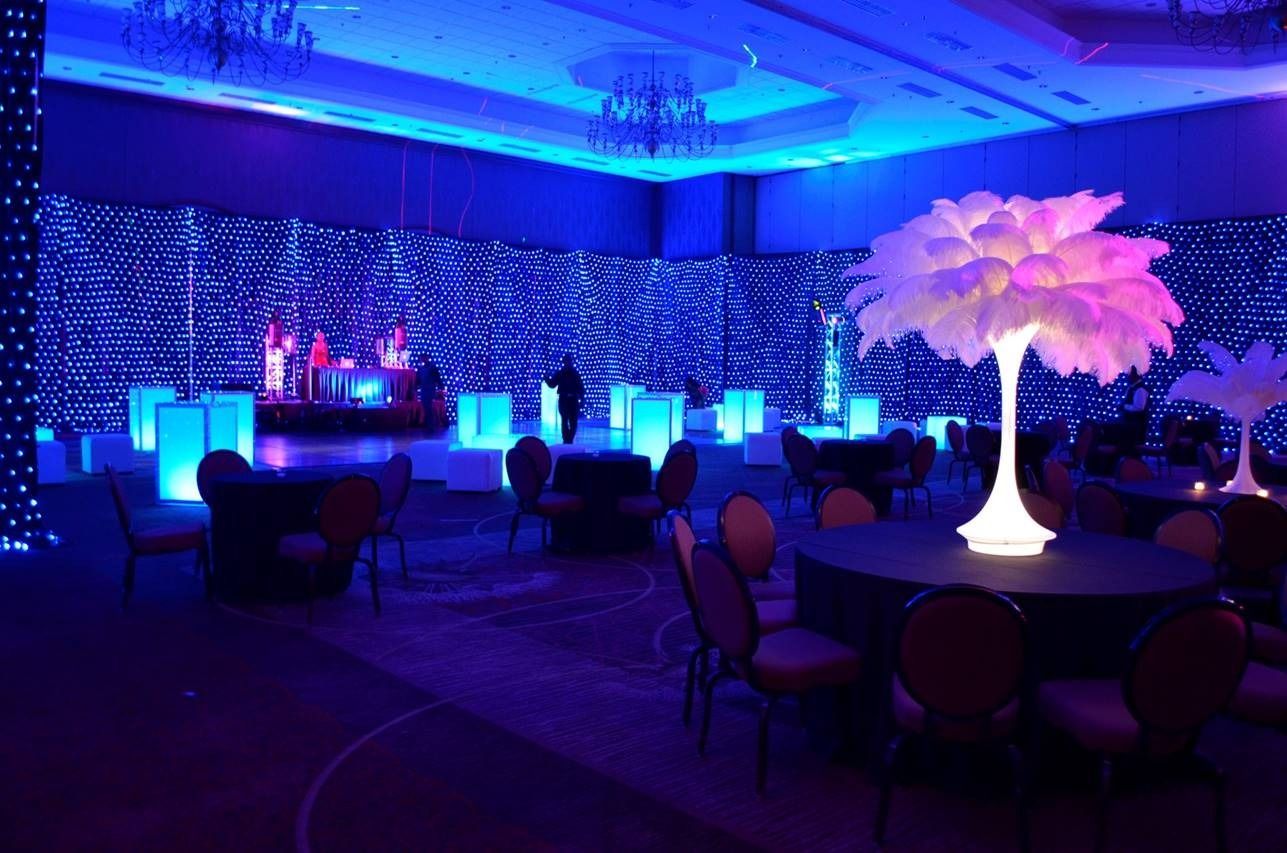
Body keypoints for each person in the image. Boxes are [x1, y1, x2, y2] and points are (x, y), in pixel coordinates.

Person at [545, 354, 584, 444]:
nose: (568, 363)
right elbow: (552, 384)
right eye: (566, 361)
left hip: (573, 400)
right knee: (564, 419)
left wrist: (582, 400)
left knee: (573, 421)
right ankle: (566, 439)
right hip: (563, 399)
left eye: (569, 361)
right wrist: (546, 378)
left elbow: (581, 388)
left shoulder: (575, 374)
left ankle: (570, 439)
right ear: (563, 362)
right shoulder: (560, 373)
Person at [1121, 365, 1149, 447]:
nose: (1128, 376)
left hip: (1137, 424)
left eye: (1130, 374)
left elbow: (1139, 407)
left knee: (1135, 446)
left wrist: (1124, 407)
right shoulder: (1132, 388)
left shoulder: (1140, 389)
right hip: (1131, 423)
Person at [416, 356, 445, 432]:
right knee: (425, 407)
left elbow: (438, 378)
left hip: (430, 390)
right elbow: (418, 380)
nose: (422, 359)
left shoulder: (432, 368)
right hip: (423, 390)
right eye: (422, 358)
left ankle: (431, 425)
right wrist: (415, 388)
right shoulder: (420, 369)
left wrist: (441, 387)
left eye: (424, 358)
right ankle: (428, 424)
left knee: (429, 407)